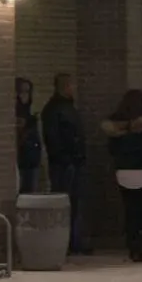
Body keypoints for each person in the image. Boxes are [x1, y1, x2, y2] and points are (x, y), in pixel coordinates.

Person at [101, 88, 142, 262]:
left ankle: (134, 249)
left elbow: (112, 149)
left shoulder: (115, 125)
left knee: (131, 212)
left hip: (124, 172)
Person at [41, 73, 90, 255]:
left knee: (73, 202)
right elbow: (54, 138)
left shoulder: (61, 108)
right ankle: (68, 241)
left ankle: (73, 241)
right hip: (65, 163)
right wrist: (66, 158)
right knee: (67, 202)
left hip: (70, 161)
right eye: (71, 85)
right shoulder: (57, 109)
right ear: (66, 86)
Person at [15, 77, 42, 194]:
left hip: (32, 157)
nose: (25, 95)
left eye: (27, 92)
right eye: (22, 92)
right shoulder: (15, 111)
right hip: (20, 157)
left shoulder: (31, 111)